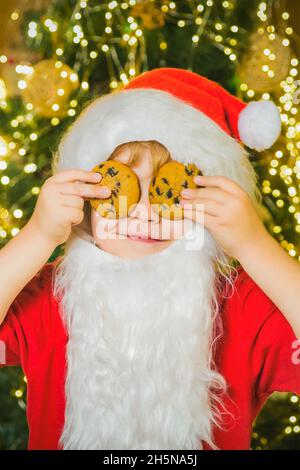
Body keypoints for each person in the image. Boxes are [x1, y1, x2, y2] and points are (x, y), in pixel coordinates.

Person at [0, 68, 299, 450]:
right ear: (85, 200)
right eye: (120, 188)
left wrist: (253, 245)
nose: (143, 212)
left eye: (165, 191)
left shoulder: (241, 305)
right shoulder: (45, 296)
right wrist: (36, 236)